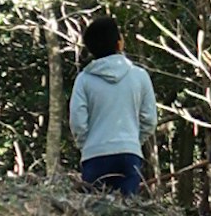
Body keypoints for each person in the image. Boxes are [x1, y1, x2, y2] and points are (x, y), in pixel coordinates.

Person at [67, 12, 157, 201]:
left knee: (95, 214)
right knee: (126, 212)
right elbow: (149, 119)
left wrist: (88, 145)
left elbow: (77, 122)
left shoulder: (83, 80)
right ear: (119, 44)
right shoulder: (139, 76)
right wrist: (132, 141)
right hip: (129, 154)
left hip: (95, 155)